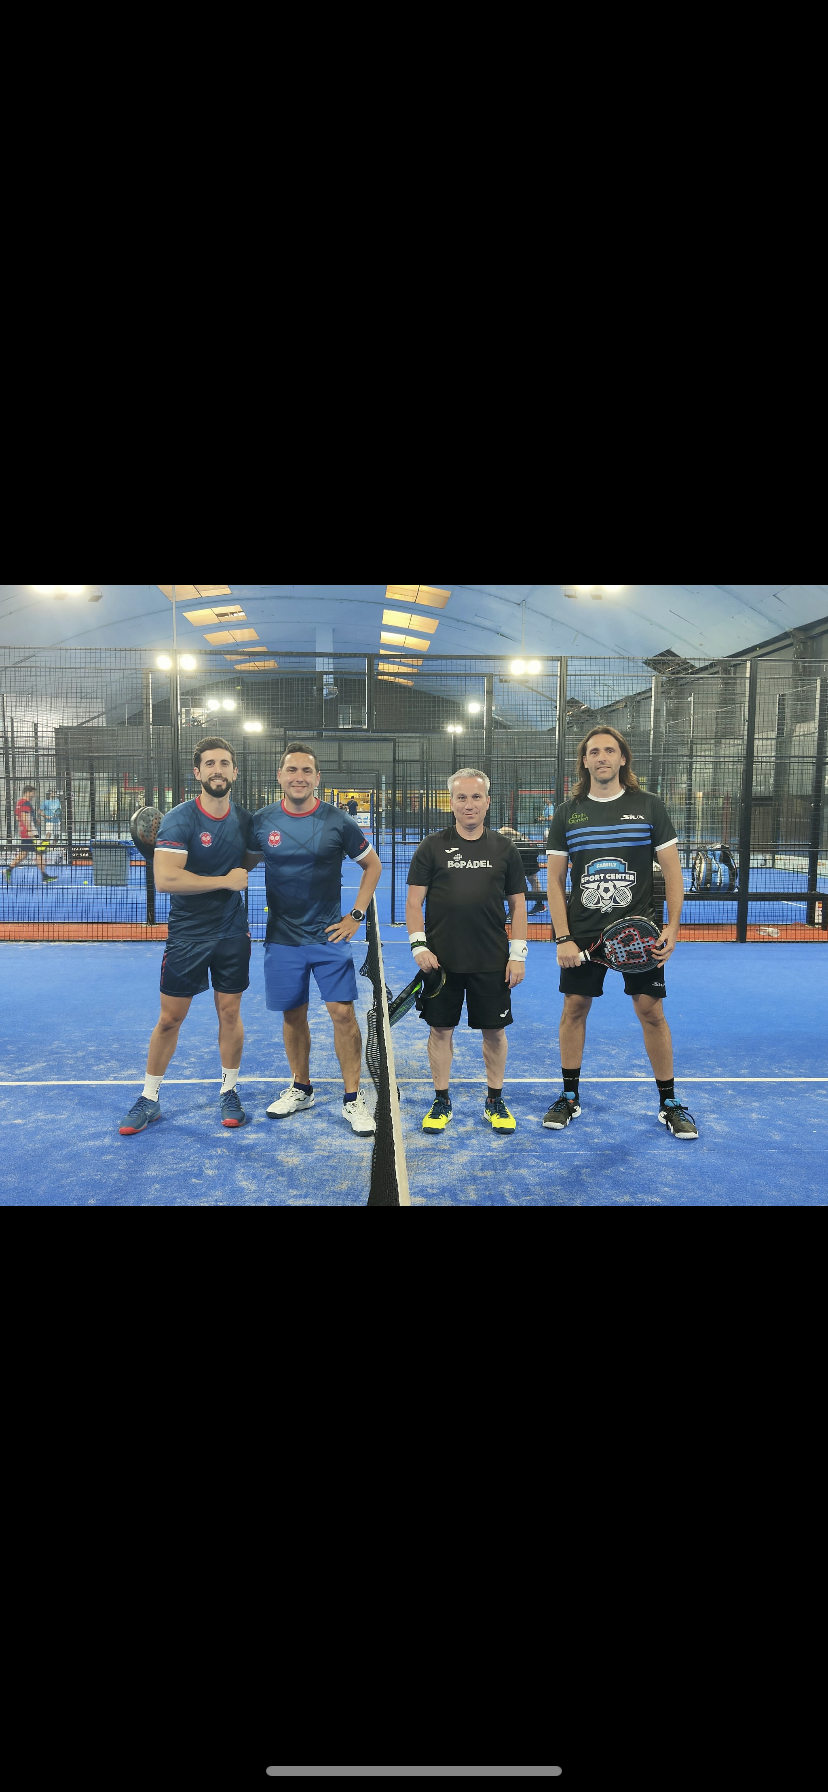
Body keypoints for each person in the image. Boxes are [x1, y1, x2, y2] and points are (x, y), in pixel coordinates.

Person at [544, 726, 698, 1139]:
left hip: (639, 934)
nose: (602, 757)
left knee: (651, 1012)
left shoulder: (648, 806)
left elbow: (672, 872)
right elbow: (554, 881)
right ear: (585, 761)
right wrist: (563, 937)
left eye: (609, 750)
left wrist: (672, 926)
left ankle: (669, 1103)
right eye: (593, 751)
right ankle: (569, 1097)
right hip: (582, 933)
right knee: (574, 1008)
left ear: (622, 758)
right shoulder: (568, 813)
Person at [118, 737, 253, 1136]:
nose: (217, 770)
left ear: (234, 771)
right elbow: (166, 879)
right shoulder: (180, 819)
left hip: (231, 932)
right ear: (198, 772)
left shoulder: (245, 821)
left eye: (224, 763)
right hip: (188, 934)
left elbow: (255, 857)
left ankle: (229, 1090)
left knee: (230, 1013)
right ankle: (149, 1097)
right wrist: (225, 880)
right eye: (210, 763)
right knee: (169, 1019)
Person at [247, 742, 383, 1135]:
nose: (299, 777)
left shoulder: (338, 821)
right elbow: (241, 867)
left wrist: (356, 915)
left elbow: (372, 866)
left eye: (306, 771)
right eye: (292, 770)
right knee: (293, 1014)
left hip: (328, 937)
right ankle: (301, 1087)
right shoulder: (262, 821)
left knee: (343, 1014)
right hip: (282, 939)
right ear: (280, 776)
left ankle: (353, 1097)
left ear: (317, 778)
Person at [406, 769, 528, 1135]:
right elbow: (413, 903)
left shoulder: (505, 849)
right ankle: (441, 1100)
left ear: (487, 802)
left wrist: (518, 954)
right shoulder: (431, 846)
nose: (469, 804)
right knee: (440, 1030)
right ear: (451, 802)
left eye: (476, 797)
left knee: (494, 1032)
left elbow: (518, 905)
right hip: (440, 962)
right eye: (461, 797)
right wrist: (418, 945)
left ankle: (494, 1100)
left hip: (491, 960)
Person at [5, 785, 56, 884]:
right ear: (27, 792)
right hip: (30, 833)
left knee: (24, 854)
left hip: (24, 833)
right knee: (39, 852)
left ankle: (9, 870)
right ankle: (45, 876)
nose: (34, 795)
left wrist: (33, 821)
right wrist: (29, 830)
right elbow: (24, 816)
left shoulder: (19, 803)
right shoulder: (26, 803)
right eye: (33, 793)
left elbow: (18, 818)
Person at [499, 826, 546, 913]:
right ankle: (538, 905)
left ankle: (537, 905)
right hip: (524, 851)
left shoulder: (500, 832)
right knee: (531, 879)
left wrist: (521, 837)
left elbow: (506, 830)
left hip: (526, 852)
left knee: (524, 880)